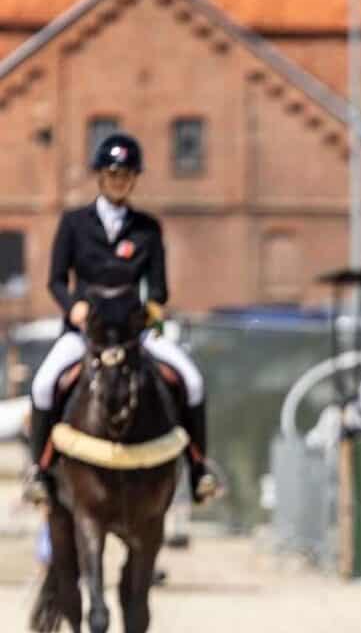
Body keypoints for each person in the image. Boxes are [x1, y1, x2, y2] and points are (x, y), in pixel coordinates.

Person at [24, 133, 217, 504]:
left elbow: (159, 290)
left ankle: (198, 470)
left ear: (134, 179)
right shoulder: (74, 223)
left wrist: (146, 315)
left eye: (126, 175)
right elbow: (55, 280)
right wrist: (73, 308)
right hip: (85, 333)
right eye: (113, 174)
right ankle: (41, 472)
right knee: (43, 384)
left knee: (192, 380)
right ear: (100, 176)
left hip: (134, 334)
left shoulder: (147, 228)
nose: (119, 181)